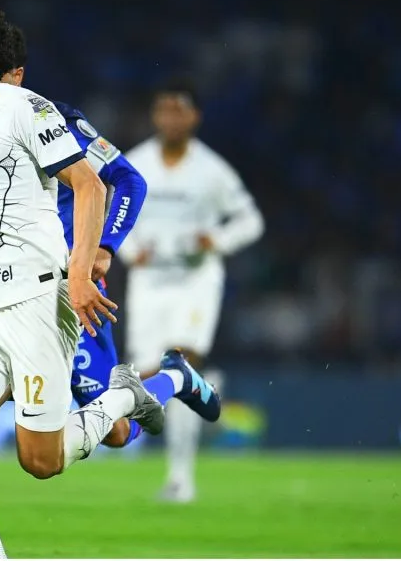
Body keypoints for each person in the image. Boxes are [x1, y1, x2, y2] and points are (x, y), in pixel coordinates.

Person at [0, 24, 221, 559]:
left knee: (107, 436)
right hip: (0, 299)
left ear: (12, 73)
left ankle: (169, 379)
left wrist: (103, 248)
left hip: (65, 289)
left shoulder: (53, 119)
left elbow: (125, 181)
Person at [119, 78, 265, 503]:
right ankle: (211, 399)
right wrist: (129, 252)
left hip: (195, 280)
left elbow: (250, 221)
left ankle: (180, 478)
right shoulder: (136, 162)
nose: (171, 118)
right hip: (149, 282)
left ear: (195, 116)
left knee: (177, 361)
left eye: (179, 109)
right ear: (154, 116)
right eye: (164, 109)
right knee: (147, 373)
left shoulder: (212, 171)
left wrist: (215, 241)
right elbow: (110, 215)